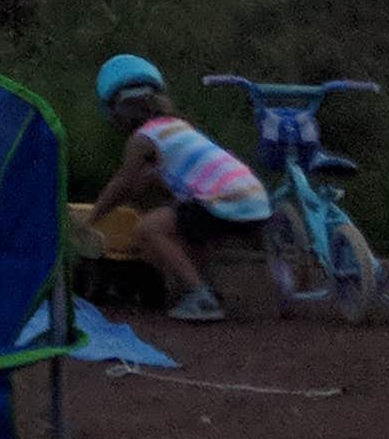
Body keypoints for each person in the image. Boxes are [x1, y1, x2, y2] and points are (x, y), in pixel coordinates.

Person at [88, 51, 271, 320]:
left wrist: (92, 218)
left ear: (117, 109)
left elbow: (122, 184)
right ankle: (205, 287)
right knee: (186, 224)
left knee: (148, 229)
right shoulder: (176, 128)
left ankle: (201, 297)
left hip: (223, 202)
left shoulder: (142, 139)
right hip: (254, 200)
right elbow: (156, 180)